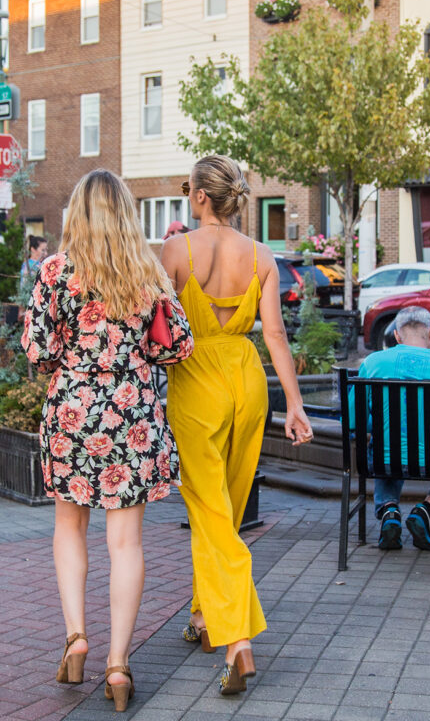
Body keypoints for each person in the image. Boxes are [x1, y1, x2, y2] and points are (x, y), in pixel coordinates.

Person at [21, 169, 193, 712]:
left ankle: (77, 636)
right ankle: (118, 665)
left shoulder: (54, 272)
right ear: (124, 214)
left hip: (72, 415)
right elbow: (177, 347)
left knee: (68, 527)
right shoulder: (146, 274)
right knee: (127, 545)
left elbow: (37, 351)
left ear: (78, 215)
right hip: (131, 419)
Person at [161, 155, 313, 696]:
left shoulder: (177, 250)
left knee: (211, 514)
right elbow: (275, 335)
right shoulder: (263, 255)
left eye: (187, 190)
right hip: (248, 381)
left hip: (196, 379)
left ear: (201, 196)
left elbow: (154, 323)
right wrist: (295, 404)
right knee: (224, 504)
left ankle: (238, 640)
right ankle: (204, 617)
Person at [351, 306, 430, 552]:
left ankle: (389, 510)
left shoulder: (373, 363)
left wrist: (383, 426)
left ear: (396, 335)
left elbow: (354, 420)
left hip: (384, 459)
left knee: (386, 444)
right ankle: (426, 509)